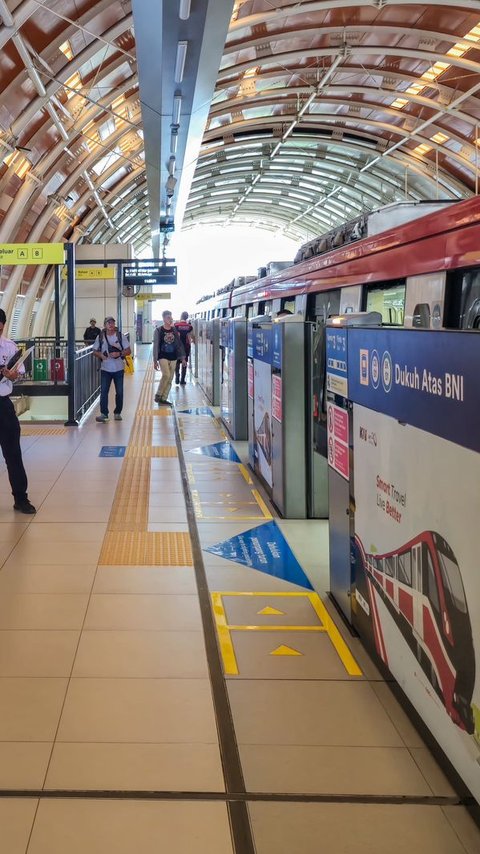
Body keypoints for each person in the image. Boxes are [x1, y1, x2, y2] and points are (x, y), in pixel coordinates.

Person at [0, 308, 36, 514]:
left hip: (3, 405)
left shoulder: (9, 346)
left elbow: (19, 374)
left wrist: (12, 375)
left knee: (13, 453)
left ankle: (21, 498)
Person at [93, 316, 131, 422]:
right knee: (104, 391)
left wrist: (119, 353)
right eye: (108, 323)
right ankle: (104, 414)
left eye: (112, 323)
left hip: (118, 368)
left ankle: (117, 412)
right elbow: (94, 351)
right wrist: (101, 355)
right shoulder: (100, 337)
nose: (111, 324)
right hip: (105, 369)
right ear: (105, 325)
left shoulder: (120, 336)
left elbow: (128, 350)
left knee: (119, 392)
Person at [153, 310, 186, 404]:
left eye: (171, 317)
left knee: (170, 378)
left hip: (173, 356)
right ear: (163, 319)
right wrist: (155, 360)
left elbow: (179, 344)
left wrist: (183, 358)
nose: (170, 319)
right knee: (166, 374)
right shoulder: (158, 330)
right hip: (162, 356)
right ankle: (158, 394)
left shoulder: (174, 330)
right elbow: (155, 346)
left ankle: (164, 398)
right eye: (168, 317)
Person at [174, 311, 194, 385]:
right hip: (186, 347)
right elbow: (192, 337)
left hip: (177, 347)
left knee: (177, 362)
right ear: (187, 317)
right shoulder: (189, 327)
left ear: (181, 316)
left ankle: (177, 377)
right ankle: (182, 380)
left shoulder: (176, 325)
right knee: (184, 362)